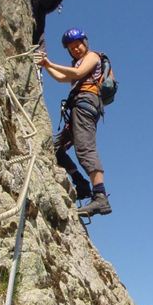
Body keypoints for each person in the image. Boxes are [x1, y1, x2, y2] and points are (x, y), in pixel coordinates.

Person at [35, 28, 112, 217]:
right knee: (55, 148)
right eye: (71, 47)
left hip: (86, 104)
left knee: (85, 148)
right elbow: (63, 77)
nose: (75, 49)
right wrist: (46, 65)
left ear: (85, 43)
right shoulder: (76, 63)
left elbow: (77, 73)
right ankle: (81, 183)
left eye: (77, 44)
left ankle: (100, 197)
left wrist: (50, 62)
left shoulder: (93, 56)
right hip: (79, 107)